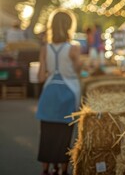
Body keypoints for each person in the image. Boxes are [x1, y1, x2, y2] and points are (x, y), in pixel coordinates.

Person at [36, 9, 81, 175]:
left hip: (49, 93)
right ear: (70, 26)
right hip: (68, 94)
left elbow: (41, 77)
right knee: (64, 134)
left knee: (47, 132)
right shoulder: (73, 48)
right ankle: (63, 168)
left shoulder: (44, 48)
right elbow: (78, 71)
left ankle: (46, 168)